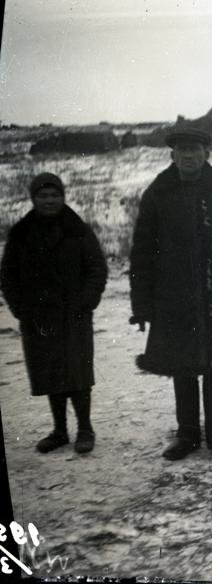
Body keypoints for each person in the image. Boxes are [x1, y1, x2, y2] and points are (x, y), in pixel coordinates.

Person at [129, 127, 212, 461]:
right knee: (181, 365)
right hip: (172, 297)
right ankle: (187, 434)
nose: (189, 156)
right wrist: (142, 305)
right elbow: (141, 253)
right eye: (182, 151)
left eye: (195, 150)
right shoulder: (159, 192)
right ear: (173, 155)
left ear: (206, 154)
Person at [0, 173, 108, 454]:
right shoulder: (20, 234)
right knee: (49, 372)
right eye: (43, 196)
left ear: (63, 197)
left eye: (54, 195)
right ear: (33, 198)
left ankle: (85, 427)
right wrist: (21, 309)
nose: (49, 201)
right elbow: (8, 276)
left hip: (74, 314)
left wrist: (86, 301)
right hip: (38, 317)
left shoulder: (78, 229)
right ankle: (59, 430)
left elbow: (97, 269)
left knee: (78, 371)